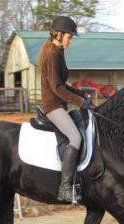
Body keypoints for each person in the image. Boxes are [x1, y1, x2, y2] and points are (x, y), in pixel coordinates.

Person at [38, 16, 93, 203]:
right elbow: (57, 88)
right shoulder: (51, 54)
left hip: (59, 103)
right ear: (59, 34)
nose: (71, 40)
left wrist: (79, 92)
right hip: (53, 106)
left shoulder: (57, 49)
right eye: (70, 36)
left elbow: (63, 83)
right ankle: (64, 188)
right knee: (75, 137)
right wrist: (79, 101)